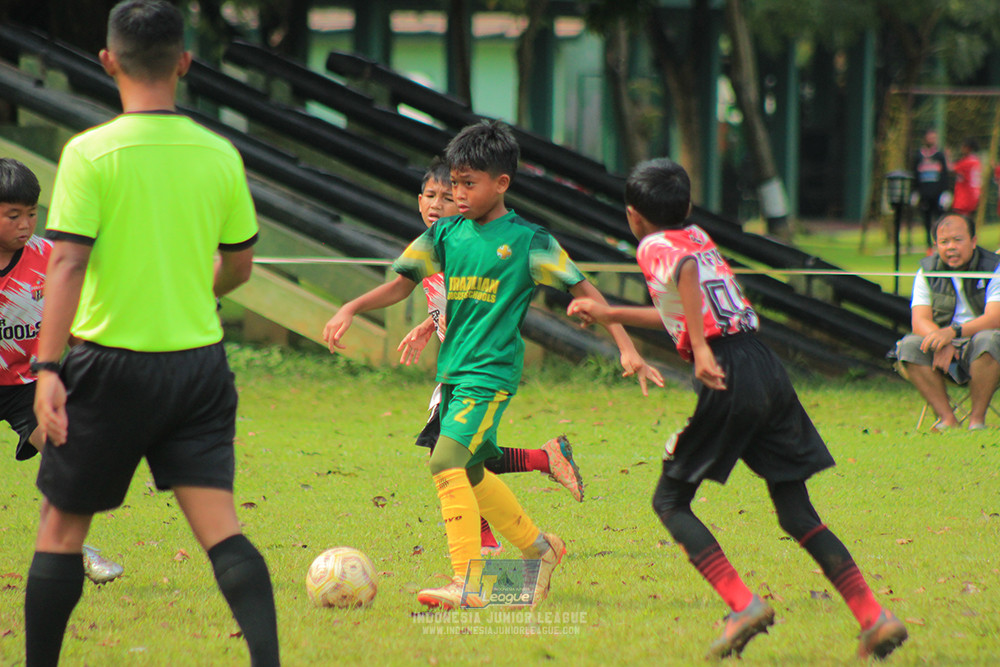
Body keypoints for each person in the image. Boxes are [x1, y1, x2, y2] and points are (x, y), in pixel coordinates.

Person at [566, 158, 907, 661]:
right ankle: (873, 616)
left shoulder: (654, 245)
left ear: (633, 215)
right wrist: (609, 313)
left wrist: (700, 349)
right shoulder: (698, 236)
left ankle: (743, 606)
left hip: (728, 369)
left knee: (670, 500)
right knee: (796, 512)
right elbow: (683, 310)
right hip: (763, 365)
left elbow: (684, 280)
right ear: (687, 205)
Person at [25, 3, 279, 666]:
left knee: (60, 529)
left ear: (108, 61)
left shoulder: (89, 153)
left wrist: (47, 368)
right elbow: (240, 266)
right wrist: (191, 293)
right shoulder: (220, 154)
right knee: (221, 529)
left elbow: (67, 264)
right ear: (184, 63)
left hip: (108, 368)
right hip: (198, 368)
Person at [324, 120, 662, 611]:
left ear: (501, 183)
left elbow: (584, 289)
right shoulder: (445, 234)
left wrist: (626, 347)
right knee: (473, 470)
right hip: (453, 372)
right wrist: (351, 307)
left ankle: (467, 581)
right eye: (453, 184)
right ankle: (541, 551)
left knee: (444, 460)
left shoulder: (529, 241)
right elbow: (401, 283)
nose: (457, 194)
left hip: (490, 374)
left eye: (468, 184)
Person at [399, 157, 585, 555]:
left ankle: (481, 551)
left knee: (447, 456)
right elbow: (457, 306)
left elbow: (480, 300)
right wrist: (430, 324)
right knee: (465, 458)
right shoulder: (438, 245)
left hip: (481, 370)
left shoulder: (472, 243)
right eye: (430, 195)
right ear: (418, 200)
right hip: (457, 369)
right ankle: (544, 473)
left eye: (448, 196)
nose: (437, 204)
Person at [0, 158, 123, 586]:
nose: (25, 224)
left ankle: (73, 549)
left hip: (28, 384)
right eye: (12, 215)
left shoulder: (48, 258)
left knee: (66, 456)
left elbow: (71, 324)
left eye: (31, 213)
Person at [895, 214, 1000, 431]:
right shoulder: (926, 271)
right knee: (909, 346)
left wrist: (952, 332)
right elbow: (919, 320)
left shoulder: (994, 268)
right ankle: (947, 419)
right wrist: (941, 340)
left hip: (984, 341)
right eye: (944, 242)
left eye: (957, 240)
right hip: (945, 345)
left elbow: (994, 318)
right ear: (935, 246)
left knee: (987, 340)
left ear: (973, 241)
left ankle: (977, 421)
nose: (951, 247)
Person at [913, 128, 950, 249]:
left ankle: (940, 241)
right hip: (924, 194)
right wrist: (915, 192)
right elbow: (914, 174)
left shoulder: (939, 155)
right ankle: (929, 243)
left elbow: (944, 174)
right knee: (926, 219)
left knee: (940, 219)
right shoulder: (919, 155)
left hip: (937, 194)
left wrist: (945, 192)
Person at [951, 138, 982, 216]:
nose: (961, 149)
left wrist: (945, 156)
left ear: (968, 148)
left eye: (963, 147)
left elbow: (951, 169)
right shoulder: (976, 161)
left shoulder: (967, 162)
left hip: (965, 196)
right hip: (973, 195)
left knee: (961, 219)